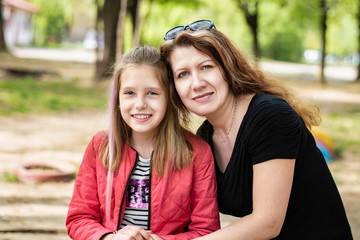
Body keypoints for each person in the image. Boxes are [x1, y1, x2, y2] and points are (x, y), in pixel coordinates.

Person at [160, 20, 353, 239]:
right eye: (182, 74)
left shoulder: (269, 116)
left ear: (227, 67)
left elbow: (267, 222)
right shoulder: (205, 137)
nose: (196, 83)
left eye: (206, 67)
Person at [66, 46, 220, 240]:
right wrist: (110, 238)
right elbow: (79, 218)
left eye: (152, 93)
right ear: (117, 98)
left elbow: (206, 231)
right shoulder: (100, 146)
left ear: (169, 97)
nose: (140, 104)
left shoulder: (197, 153)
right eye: (129, 93)